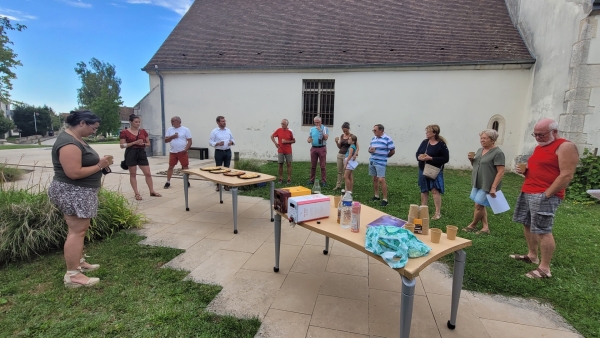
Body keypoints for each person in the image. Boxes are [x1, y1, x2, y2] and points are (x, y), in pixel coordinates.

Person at [48, 110, 110, 288]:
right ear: (82, 123)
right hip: (73, 191)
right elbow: (73, 173)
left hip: (80, 191)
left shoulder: (75, 139)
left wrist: (100, 163)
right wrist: (100, 165)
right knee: (77, 231)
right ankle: (73, 275)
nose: (94, 131)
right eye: (93, 127)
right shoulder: (68, 143)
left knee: (78, 230)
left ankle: (79, 262)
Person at [510, 118, 578, 279]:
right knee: (527, 224)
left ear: (554, 132)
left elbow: (567, 174)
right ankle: (532, 255)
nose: (538, 137)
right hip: (528, 191)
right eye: (536, 134)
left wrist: (547, 194)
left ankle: (545, 268)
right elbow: (541, 169)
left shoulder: (565, 146)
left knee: (543, 231)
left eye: (542, 134)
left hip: (545, 195)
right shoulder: (539, 147)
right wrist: (525, 172)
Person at [462, 129, 505, 234]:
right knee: (481, 204)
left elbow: (501, 171)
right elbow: (478, 166)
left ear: (493, 140)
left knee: (478, 205)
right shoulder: (479, 150)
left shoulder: (498, 153)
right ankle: (485, 228)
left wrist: (493, 187)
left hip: (488, 183)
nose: (482, 140)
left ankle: (472, 225)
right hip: (478, 182)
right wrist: (472, 160)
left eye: (485, 138)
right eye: (481, 138)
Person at [120, 114, 162, 200]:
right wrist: (134, 143)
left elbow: (148, 144)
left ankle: (152, 191)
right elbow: (122, 145)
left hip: (141, 153)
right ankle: (137, 193)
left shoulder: (143, 131)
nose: (138, 123)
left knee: (148, 173)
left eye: (139, 122)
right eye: (136, 122)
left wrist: (143, 144)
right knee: (133, 174)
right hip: (131, 152)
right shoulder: (124, 132)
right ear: (131, 122)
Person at [415, 124, 450, 220]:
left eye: (428, 131)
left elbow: (445, 158)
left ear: (434, 133)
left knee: (435, 190)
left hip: (434, 170)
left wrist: (431, 158)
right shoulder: (424, 142)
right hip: (423, 169)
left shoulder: (441, 144)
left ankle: (437, 213)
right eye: (426, 131)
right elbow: (418, 152)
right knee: (424, 190)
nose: (426, 133)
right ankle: (423, 209)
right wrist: (419, 157)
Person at [368, 124, 395, 206]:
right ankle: (376, 196)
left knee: (381, 180)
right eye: (373, 130)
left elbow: (392, 151)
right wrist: (370, 150)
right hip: (372, 161)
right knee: (375, 179)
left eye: (375, 130)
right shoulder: (373, 139)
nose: (374, 132)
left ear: (381, 130)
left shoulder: (387, 139)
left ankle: (385, 199)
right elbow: (369, 149)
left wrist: (385, 156)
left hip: (381, 162)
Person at [164, 116, 193, 189]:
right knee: (171, 166)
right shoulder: (170, 129)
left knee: (185, 167)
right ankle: (168, 181)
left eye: (173, 121)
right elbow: (166, 140)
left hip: (182, 151)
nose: (172, 122)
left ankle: (187, 181)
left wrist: (185, 149)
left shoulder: (185, 129)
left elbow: (189, 141)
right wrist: (172, 137)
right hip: (173, 151)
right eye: (171, 121)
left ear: (178, 122)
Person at [209, 115, 235, 191]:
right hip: (219, 152)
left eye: (225, 121)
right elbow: (210, 142)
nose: (224, 123)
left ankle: (226, 185)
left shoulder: (228, 130)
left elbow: (233, 139)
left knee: (227, 169)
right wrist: (217, 144)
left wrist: (232, 142)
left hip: (227, 151)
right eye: (222, 121)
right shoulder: (214, 131)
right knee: (219, 169)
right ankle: (218, 185)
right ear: (218, 122)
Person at [334, 122, 360, 190]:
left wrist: (355, 154)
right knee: (339, 171)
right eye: (343, 130)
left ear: (349, 129)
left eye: (346, 130)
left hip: (348, 156)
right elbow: (340, 146)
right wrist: (337, 142)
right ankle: (338, 185)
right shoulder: (342, 136)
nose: (345, 132)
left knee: (347, 172)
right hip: (340, 154)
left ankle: (347, 187)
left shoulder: (352, 137)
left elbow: (357, 146)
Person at [271, 119, 295, 184]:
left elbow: (294, 141)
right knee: (280, 164)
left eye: (283, 124)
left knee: (289, 164)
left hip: (288, 150)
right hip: (280, 150)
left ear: (287, 124)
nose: (282, 125)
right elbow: (272, 136)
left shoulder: (290, 131)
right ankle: (280, 178)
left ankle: (289, 178)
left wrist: (286, 142)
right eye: (281, 124)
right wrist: (276, 143)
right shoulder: (279, 130)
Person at [307, 116, 329, 186]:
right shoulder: (312, 129)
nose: (316, 124)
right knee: (313, 166)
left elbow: (325, 138)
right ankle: (311, 180)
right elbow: (310, 137)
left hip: (322, 148)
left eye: (318, 122)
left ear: (321, 122)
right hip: (314, 148)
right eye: (315, 122)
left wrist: (320, 130)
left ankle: (323, 181)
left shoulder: (325, 128)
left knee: (322, 166)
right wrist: (308, 139)